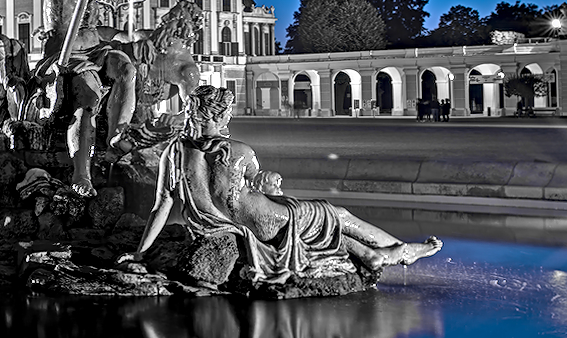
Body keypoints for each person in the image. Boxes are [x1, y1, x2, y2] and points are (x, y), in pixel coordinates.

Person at [133, 86, 441, 282]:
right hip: (268, 221)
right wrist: (271, 185)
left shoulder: (172, 152)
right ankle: (398, 250)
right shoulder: (240, 151)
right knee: (339, 215)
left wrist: (139, 253)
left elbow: (162, 206)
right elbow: (259, 185)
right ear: (222, 116)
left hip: (223, 227)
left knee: (324, 231)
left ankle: (369, 254)